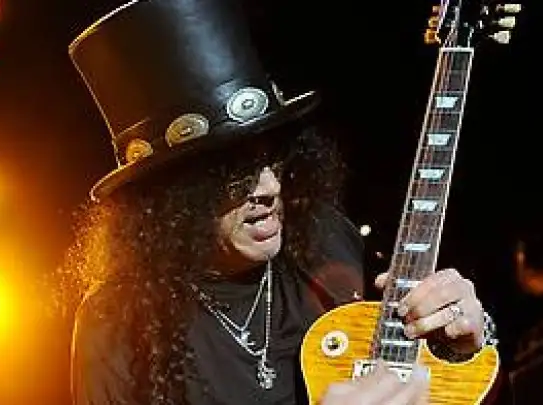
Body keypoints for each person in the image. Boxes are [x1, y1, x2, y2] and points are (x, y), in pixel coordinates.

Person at [62, 0, 497, 404]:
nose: (270, 186)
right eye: (234, 175)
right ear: (172, 201)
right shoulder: (117, 323)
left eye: (273, 158)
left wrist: (463, 342)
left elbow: (416, 367)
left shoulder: (325, 239)